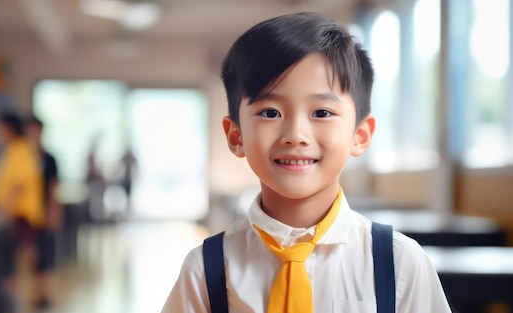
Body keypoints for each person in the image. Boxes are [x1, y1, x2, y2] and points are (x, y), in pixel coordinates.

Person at [162, 13, 451, 313]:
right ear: (236, 136)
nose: (296, 135)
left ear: (360, 135)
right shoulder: (206, 270)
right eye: (270, 113)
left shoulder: (399, 263)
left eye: (322, 113)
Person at [0, 112, 44, 311]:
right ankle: (19, 294)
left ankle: (33, 294)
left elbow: (19, 184)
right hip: (16, 214)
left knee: (24, 255)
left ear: (7, 129)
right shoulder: (13, 150)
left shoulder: (20, 149)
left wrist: (3, 211)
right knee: (17, 256)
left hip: (20, 214)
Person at [26, 116, 62, 311]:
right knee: (32, 256)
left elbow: (53, 187)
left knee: (46, 255)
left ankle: (45, 293)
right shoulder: (24, 158)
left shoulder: (49, 160)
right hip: (29, 216)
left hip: (44, 214)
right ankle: (36, 292)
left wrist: (54, 212)